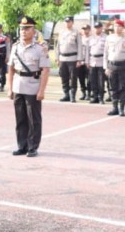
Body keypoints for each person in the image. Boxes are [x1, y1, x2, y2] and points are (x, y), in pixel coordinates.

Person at [7, 16, 50, 157]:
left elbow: (45, 70)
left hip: (33, 85)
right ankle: (22, 146)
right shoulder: (15, 47)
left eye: (27, 28)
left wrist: (42, 90)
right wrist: (9, 87)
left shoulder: (40, 48)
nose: (23, 31)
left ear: (33, 30)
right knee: (20, 118)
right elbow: (11, 69)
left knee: (33, 119)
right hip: (18, 85)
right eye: (21, 29)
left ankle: (33, 146)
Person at [105, 20, 125, 116]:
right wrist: (105, 67)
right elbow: (105, 54)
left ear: (122, 28)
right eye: (115, 26)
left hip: (123, 65)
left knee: (123, 87)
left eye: (119, 26)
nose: (117, 28)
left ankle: (122, 108)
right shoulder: (109, 38)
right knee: (113, 87)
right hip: (112, 65)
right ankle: (114, 107)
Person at [56, 16, 81, 102]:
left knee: (73, 77)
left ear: (72, 22)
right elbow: (58, 46)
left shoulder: (76, 32)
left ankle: (73, 95)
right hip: (62, 58)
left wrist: (79, 59)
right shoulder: (61, 32)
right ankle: (66, 94)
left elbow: (80, 46)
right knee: (64, 77)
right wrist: (57, 58)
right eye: (66, 22)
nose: (67, 23)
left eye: (69, 21)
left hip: (72, 58)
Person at [86, 22, 106, 104]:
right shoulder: (91, 38)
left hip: (101, 61)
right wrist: (87, 61)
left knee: (101, 81)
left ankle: (101, 97)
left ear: (101, 28)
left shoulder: (106, 37)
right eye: (96, 27)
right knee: (93, 80)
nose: (97, 29)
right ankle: (95, 97)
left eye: (98, 27)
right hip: (92, 61)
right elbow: (88, 51)